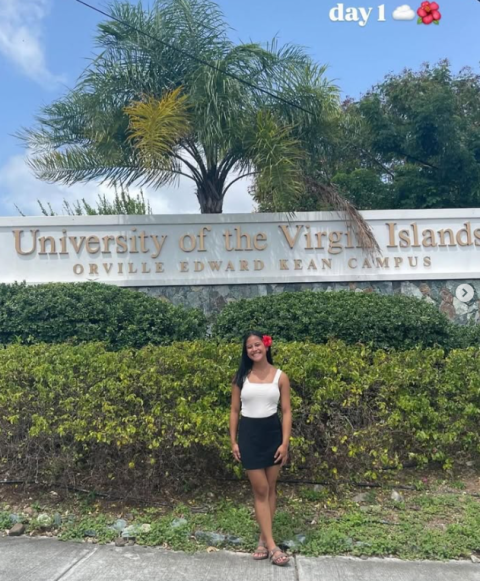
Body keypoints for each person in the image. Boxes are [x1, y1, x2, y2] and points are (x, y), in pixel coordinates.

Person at [229, 331, 292, 567]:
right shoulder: (241, 377)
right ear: (246, 352)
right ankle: (273, 546)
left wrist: (285, 443)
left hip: (273, 434)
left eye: (257, 345)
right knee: (261, 488)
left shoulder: (280, 377)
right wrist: (233, 440)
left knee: (271, 488)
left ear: (265, 346)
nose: (254, 349)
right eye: (249, 347)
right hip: (249, 435)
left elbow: (286, 411)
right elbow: (234, 411)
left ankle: (262, 539)